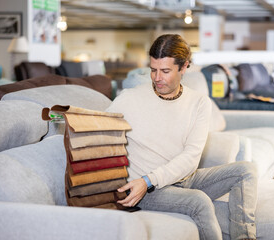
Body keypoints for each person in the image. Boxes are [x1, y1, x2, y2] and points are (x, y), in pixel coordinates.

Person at [106, 34, 257, 240]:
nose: (157, 78)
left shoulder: (199, 103)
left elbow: (191, 157)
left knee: (246, 170)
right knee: (199, 201)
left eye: (165, 71)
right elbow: (97, 128)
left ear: (184, 67)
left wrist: (151, 179)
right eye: (153, 70)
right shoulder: (129, 98)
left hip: (183, 179)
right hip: (146, 189)